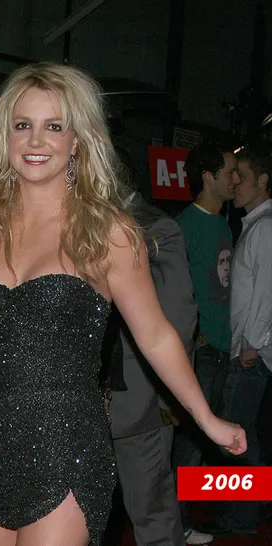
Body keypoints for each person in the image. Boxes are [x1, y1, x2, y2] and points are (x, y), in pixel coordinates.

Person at [0, 62, 246, 546]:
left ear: (78, 141)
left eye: (54, 126)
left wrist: (205, 418)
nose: (35, 140)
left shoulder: (109, 233)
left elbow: (155, 336)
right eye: (22, 125)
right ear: (4, 137)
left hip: (66, 447)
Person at [104, 157, 197, 546]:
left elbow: (178, 320)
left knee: (152, 514)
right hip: (87, 400)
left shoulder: (157, 227)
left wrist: (168, 399)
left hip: (142, 402)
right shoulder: (81, 225)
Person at [197, 143, 272, 537]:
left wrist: (251, 345)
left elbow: (266, 294)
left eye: (242, 176)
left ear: (263, 181)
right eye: (233, 175)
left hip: (250, 352)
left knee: (240, 436)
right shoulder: (255, 225)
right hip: (247, 349)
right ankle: (245, 509)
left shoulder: (265, 226)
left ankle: (241, 516)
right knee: (245, 434)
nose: (236, 182)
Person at [172, 143, 238, 542]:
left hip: (223, 346)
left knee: (206, 444)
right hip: (202, 350)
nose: (236, 179)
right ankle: (177, 526)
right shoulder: (183, 226)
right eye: (229, 172)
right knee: (191, 445)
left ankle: (185, 520)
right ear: (208, 177)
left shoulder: (224, 225)